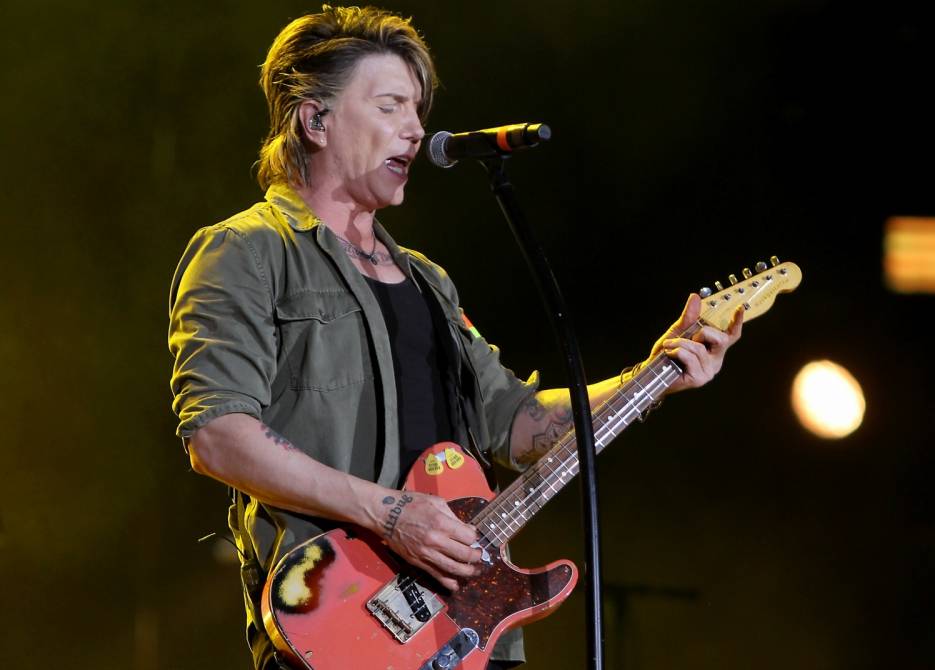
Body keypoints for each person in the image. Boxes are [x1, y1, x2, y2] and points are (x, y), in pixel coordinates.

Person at [167, 6, 741, 669]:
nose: (416, 129)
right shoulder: (245, 252)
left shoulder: (429, 281)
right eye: (390, 106)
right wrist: (390, 514)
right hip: (338, 630)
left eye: (417, 109)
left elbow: (518, 425)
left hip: (466, 633)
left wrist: (657, 372)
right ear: (315, 120)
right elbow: (218, 435)